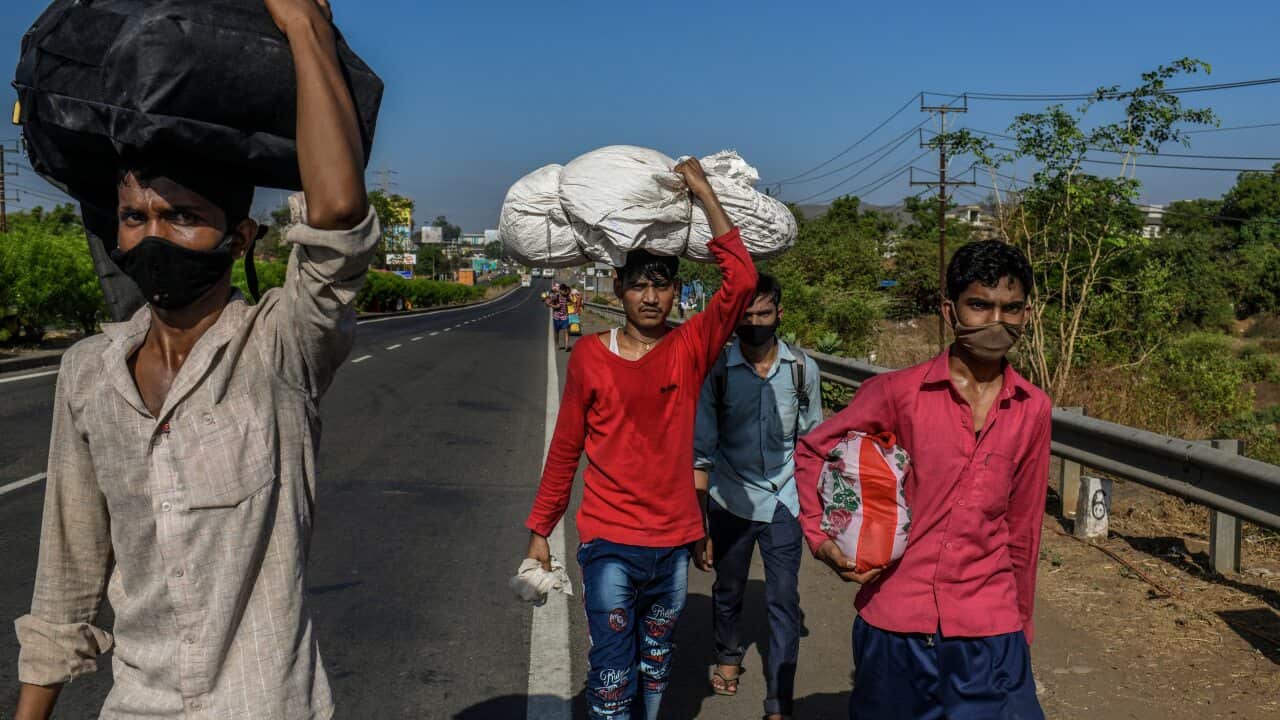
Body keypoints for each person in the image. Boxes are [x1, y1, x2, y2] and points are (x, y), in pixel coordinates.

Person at [13, 1, 378, 718]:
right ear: (115, 233)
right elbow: (67, 580)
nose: (154, 236)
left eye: (183, 217)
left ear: (238, 239)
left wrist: (303, 25)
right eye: (135, 216)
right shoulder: (89, 373)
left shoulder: (281, 346)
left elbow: (337, 219)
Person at [524, 157, 758, 720]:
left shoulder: (690, 347)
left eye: (662, 286)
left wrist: (703, 192)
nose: (651, 298)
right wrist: (540, 529)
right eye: (638, 286)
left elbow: (743, 280)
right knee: (610, 670)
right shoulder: (589, 356)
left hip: (672, 541)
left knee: (655, 662)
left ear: (677, 292)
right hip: (608, 541)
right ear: (618, 288)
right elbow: (566, 448)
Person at [795, 240, 1050, 720]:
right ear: (949, 311)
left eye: (1010, 308)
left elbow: (1024, 527)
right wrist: (823, 539)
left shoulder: (1033, 408)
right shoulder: (897, 393)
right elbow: (813, 450)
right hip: (897, 619)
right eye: (980, 305)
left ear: (1027, 314)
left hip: (989, 624)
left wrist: (1020, 626)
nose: (996, 321)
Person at [693, 273, 822, 720]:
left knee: (784, 597)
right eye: (745, 316)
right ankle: (728, 656)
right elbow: (702, 450)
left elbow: (813, 443)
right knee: (728, 589)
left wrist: (818, 512)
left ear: (778, 315)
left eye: (763, 313)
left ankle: (778, 699)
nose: (754, 323)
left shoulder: (803, 369)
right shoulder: (718, 372)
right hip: (731, 499)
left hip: (786, 500)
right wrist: (699, 524)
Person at [545, 280, 572, 351]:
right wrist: (554, 306)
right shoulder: (555, 296)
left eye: (565, 290)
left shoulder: (566, 296)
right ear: (560, 290)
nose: (564, 292)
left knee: (566, 330)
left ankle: (566, 345)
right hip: (557, 317)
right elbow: (547, 304)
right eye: (562, 290)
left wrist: (569, 303)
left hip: (565, 316)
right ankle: (557, 344)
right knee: (556, 332)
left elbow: (570, 302)